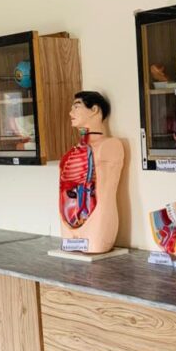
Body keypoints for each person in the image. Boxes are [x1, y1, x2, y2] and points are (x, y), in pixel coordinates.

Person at [59, 91, 125, 253]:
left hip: (97, 220)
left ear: (94, 110)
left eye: (76, 107)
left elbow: (104, 192)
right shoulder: (73, 151)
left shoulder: (110, 145)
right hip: (68, 220)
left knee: (95, 248)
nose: (71, 113)